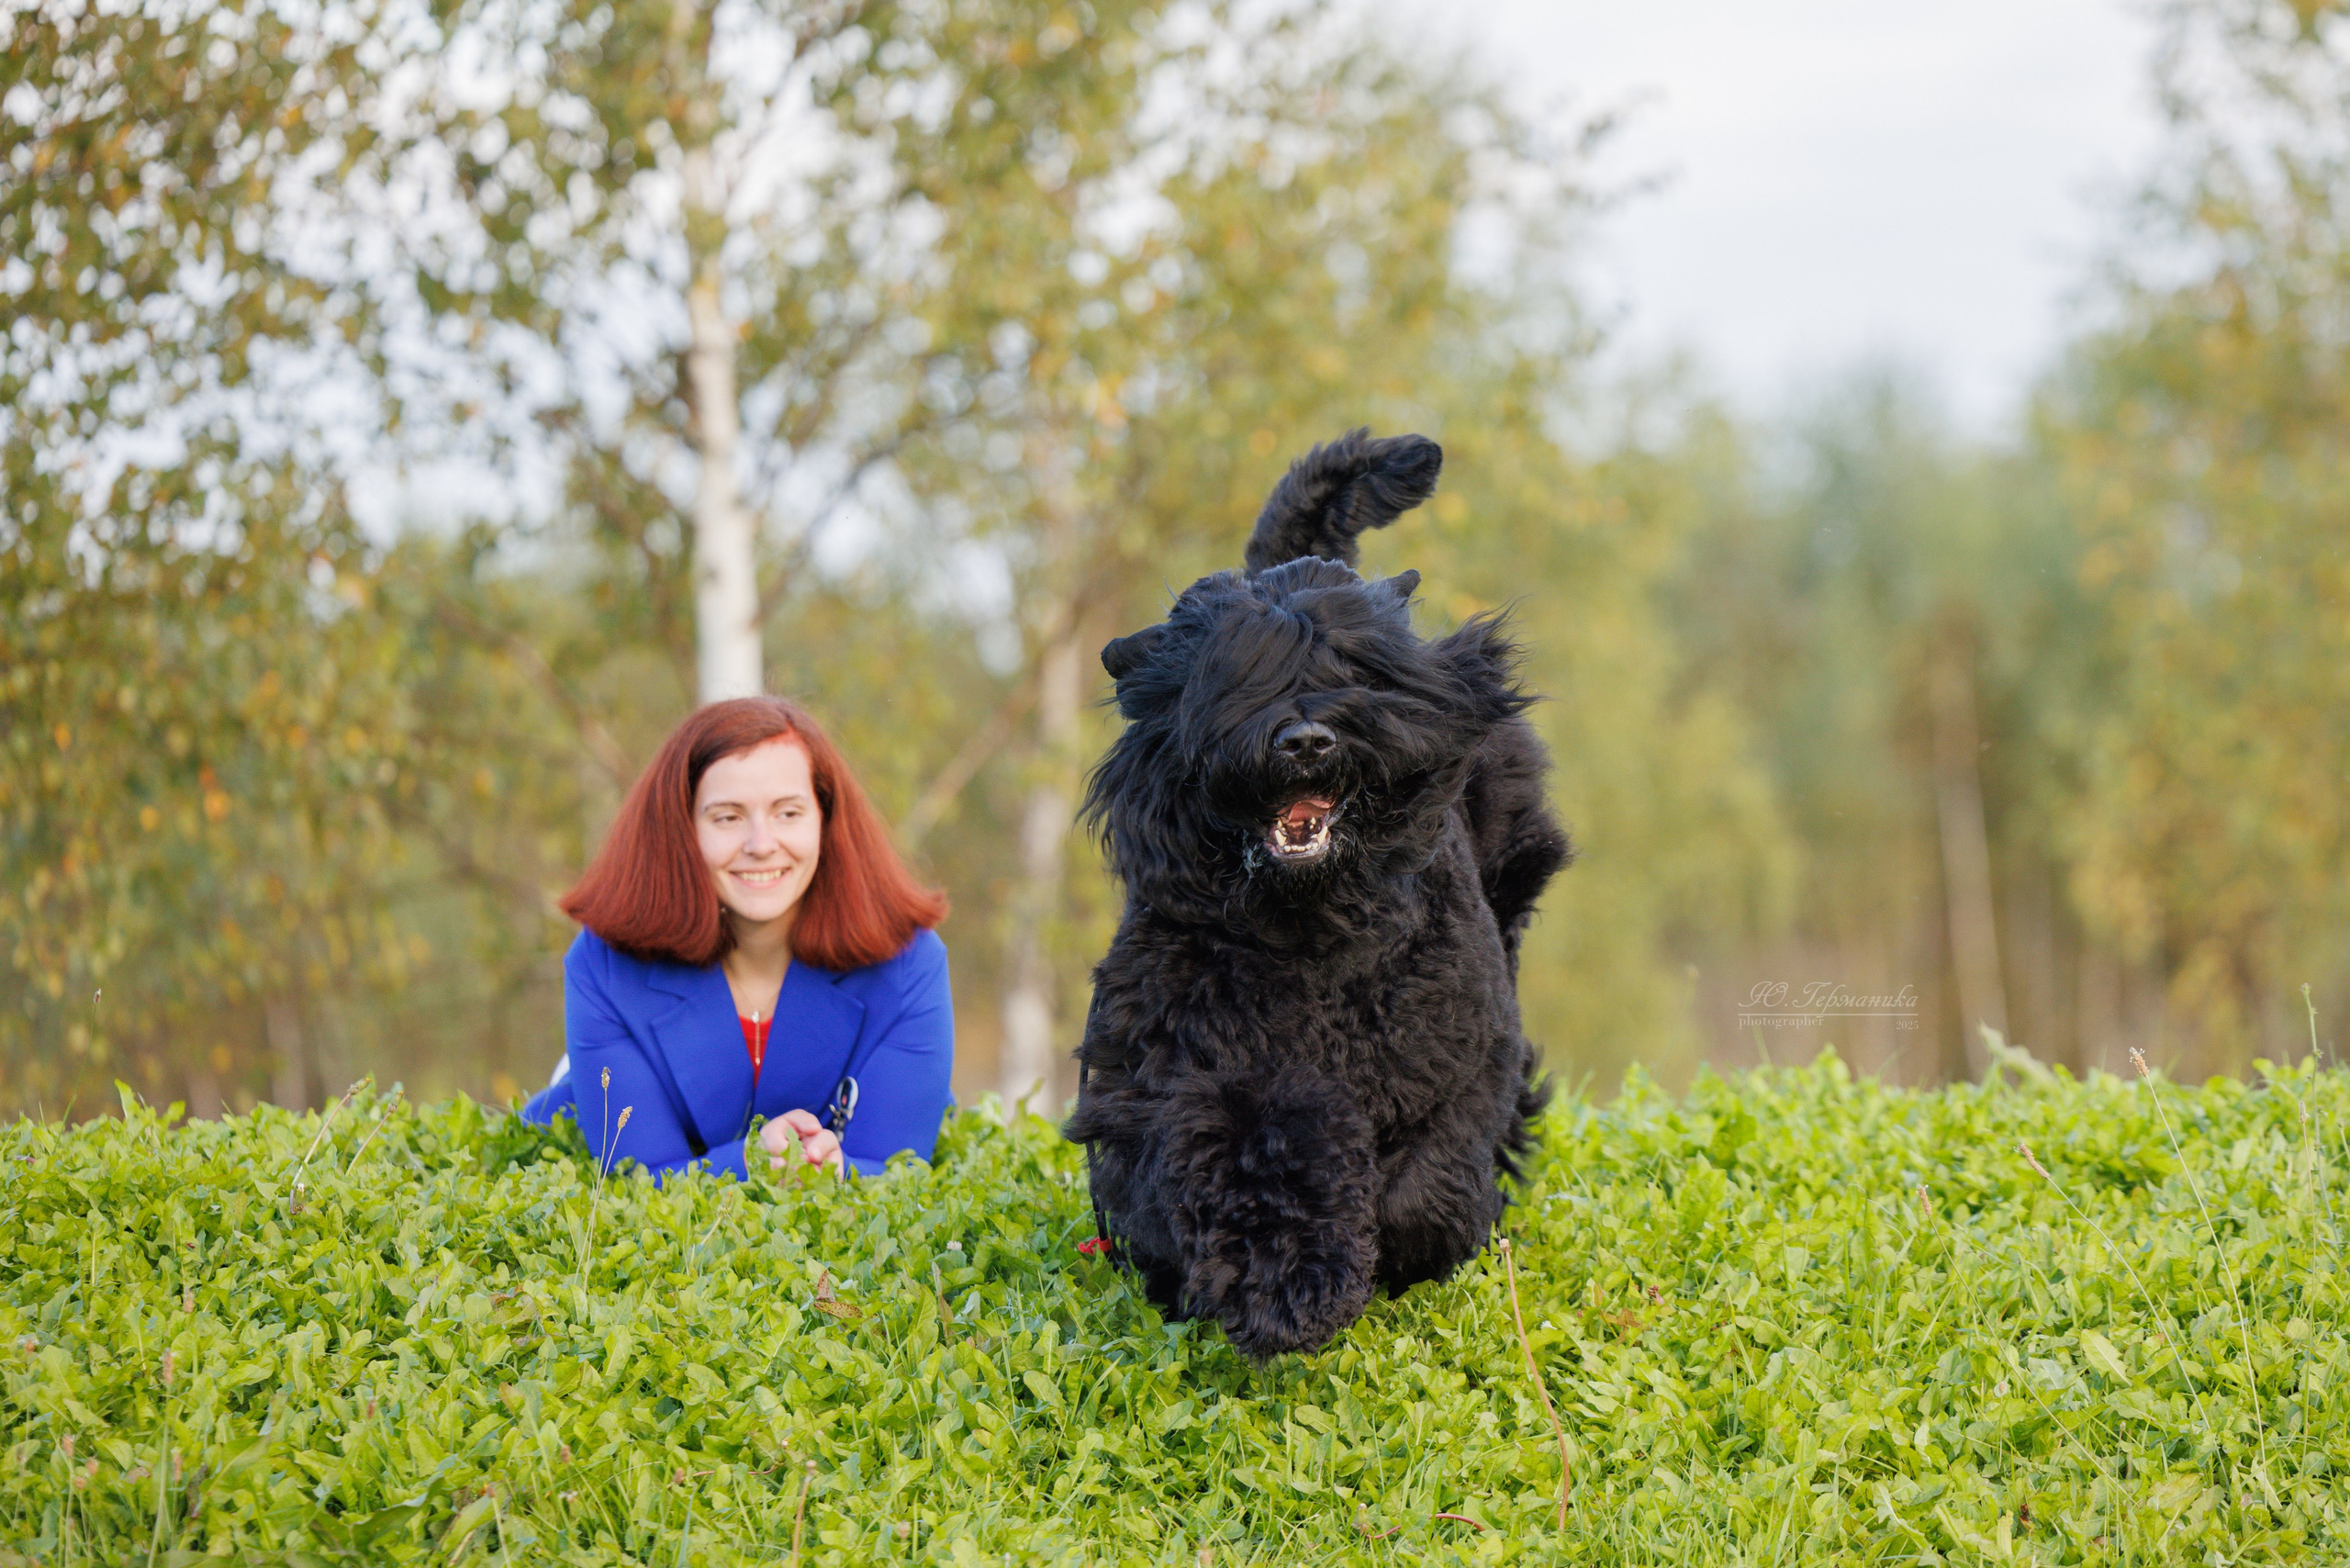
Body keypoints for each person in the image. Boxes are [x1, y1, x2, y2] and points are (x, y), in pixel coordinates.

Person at [522, 696, 952, 1182]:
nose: (761, 844)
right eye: (727, 817)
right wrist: (752, 1163)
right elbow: (640, 1180)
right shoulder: (604, 964)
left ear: (826, 820)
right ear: (681, 829)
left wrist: (835, 1170)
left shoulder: (909, 963)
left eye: (788, 813)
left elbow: (895, 1170)